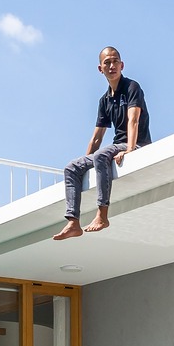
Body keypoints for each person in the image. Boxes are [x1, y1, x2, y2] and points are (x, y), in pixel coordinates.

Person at [55, 46, 153, 240]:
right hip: (117, 146)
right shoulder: (104, 100)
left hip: (137, 143)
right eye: (107, 62)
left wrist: (130, 150)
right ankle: (73, 222)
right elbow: (97, 138)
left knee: (101, 155)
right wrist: (85, 164)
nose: (112, 65)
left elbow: (133, 120)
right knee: (71, 168)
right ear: (100, 69)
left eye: (115, 61)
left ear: (122, 65)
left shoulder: (132, 87)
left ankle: (102, 215)